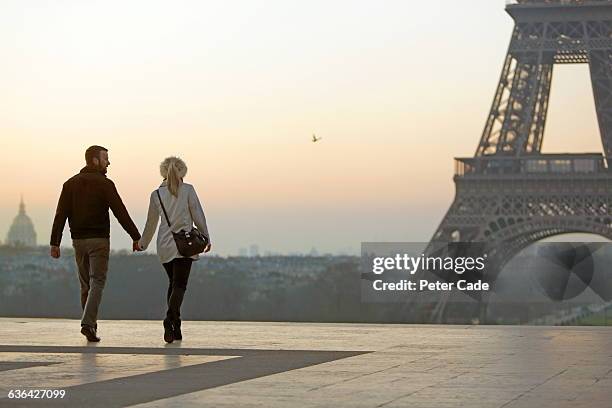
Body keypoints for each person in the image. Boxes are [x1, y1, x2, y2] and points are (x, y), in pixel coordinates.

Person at [50, 145, 142, 342]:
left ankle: (90, 326)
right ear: (94, 160)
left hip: (78, 241)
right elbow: (121, 212)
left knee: (86, 285)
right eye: (105, 158)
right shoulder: (105, 184)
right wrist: (136, 236)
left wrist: (55, 242)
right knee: (97, 282)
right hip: (99, 240)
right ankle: (88, 324)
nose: (108, 162)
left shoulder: (70, 184)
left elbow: (60, 215)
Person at [138, 156, 211, 343]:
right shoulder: (187, 190)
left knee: (173, 284)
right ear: (182, 173)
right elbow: (197, 214)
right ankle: (169, 320)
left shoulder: (156, 195)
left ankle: (176, 327)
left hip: (164, 244)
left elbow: (151, 222)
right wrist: (206, 237)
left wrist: (142, 243)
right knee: (180, 285)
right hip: (185, 243)